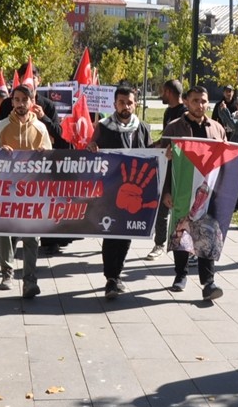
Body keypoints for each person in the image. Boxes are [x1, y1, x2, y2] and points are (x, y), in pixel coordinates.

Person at [160, 86, 228, 301]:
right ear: (186, 102)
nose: (200, 105)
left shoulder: (217, 128)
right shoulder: (174, 128)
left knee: (207, 234)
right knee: (182, 231)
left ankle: (208, 282)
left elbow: (224, 163)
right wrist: (166, 191)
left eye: (204, 101)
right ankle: (180, 275)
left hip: (207, 193)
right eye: (196, 101)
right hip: (182, 190)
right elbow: (163, 163)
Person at [0, 84, 53, 298]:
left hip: (32, 191)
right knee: (5, 233)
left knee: (31, 236)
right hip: (6, 189)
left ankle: (30, 280)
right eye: (16, 99)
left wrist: (45, 154)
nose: (19, 104)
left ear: (32, 102)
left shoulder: (41, 128)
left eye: (24, 100)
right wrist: (0, 152)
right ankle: (7, 273)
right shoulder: (2, 126)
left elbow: (51, 161)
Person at [90, 86, 153, 299]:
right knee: (111, 234)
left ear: (135, 104)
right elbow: (91, 152)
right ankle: (111, 277)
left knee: (127, 234)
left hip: (134, 194)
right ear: (114, 104)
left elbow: (151, 154)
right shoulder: (103, 127)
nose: (125, 107)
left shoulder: (142, 128)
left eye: (129, 103)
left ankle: (116, 276)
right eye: (121, 102)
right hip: (109, 191)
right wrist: (91, 148)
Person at [147, 78, 187, 260]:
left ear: (169, 93)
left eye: (163, 91)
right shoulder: (167, 112)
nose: (161, 95)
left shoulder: (185, 113)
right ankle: (159, 243)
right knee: (162, 205)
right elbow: (166, 138)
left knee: (182, 208)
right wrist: (153, 146)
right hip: (166, 165)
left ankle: (185, 246)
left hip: (181, 169)